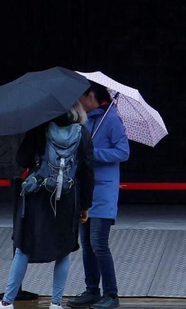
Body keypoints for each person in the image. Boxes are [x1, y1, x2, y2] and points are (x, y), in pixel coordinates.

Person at [0, 102, 95, 309]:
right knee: (63, 251)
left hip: (38, 198)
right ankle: (55, 304)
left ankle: (7, 302)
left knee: (23, 247)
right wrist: (84, 206)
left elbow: (22, 159)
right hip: (67, 200)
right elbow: (87, 172)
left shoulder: (40, 129)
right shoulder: (83, 134)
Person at [70, 82, 130, 309]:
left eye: (80, 98)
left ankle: (111, 295)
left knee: (99, 243)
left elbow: (123, 152)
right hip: (85, 190)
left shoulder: (111, 119)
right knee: (86, 242)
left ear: (91, 96)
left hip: (103, 190)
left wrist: (93, 154)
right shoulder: (85, 120)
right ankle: (92, 290)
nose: (78, 103)